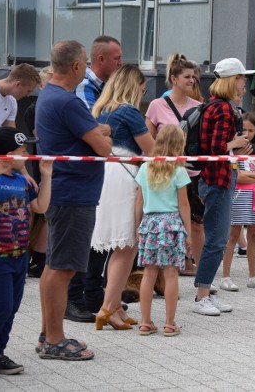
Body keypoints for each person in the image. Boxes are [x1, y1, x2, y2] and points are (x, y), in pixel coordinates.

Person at [35, 40, 112, 360]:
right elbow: (104, 147)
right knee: (62, 268)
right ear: (78, 66)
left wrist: (97, 131)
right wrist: (101, 132)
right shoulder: (67, 102)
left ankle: (49, 333)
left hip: (67, 193)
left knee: (56, 266)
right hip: (72, 197)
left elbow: (95, 135)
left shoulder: (51, 96)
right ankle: (53, 339)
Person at [91, 64, 154, 331]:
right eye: (142, 86)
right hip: (124, 175)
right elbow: (151, 149)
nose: (144, 90)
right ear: (133, 85)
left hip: (107, 175)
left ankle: (114, 306)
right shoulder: (128, 111)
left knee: (123, 245)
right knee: (126, 245)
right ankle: (107, 307)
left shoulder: (101, 110)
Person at [66, 35, 123, 323]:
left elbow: (105, 128)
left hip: (96, 173)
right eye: (116, 58)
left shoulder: (102, 88)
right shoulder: (84, 88)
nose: (120, 62)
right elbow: (93, 129)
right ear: (99, 60)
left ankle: (91, 293)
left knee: (97, 237)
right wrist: (107, 129)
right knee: (83, 239)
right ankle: (73, 300)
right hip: (78, 174)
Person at [192, 58, 253, 316]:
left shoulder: (214, 105)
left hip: (214, 178)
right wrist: (236, 142)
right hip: (217, 179)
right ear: (232, 81)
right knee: (216, 240)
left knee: (216, 239)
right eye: (241, 78)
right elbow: (216, 149)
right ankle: (202, 295)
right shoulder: (225, 110)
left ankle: (205, 292)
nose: (244, 82)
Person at [0, 127, 51, 377]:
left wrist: (46, 176)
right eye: (23, 152)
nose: (27, 156)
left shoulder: (22, 180)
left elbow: (41, 206)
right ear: (7, 155)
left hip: (19, 256)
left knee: (12, 307)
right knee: (0, 307)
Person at [146, 54, 205, 278]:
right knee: (166, 221)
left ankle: (201, 272)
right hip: (165, 174)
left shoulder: (199, 107)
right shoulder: (156, 105)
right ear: (174, 78)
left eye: (194, 77)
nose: (191, 80)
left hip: (192, 173)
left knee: (197, 223)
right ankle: (164, 271)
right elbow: (149, 140)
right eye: (187, 76)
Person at [135, 125, 191, 337]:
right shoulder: (178, 170)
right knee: (170, 274)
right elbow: (184, 204)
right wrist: (188, 232)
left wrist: (137, 226)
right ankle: (169, 323)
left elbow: (139, 200)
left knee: (148, 274)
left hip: (150, 223)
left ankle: (145, 321)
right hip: (171, 223)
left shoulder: (145, 167)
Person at [220, 113, 255, 291]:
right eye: (244, 130)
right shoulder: (233, 153)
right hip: (238, 197)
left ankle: (253, 276)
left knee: (254, 236)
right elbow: (236, 177)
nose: (247, 133)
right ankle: (225, 276)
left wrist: (252, 177)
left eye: (251, 130)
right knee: (233, 235)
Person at [24, 66, 53, 279]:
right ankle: (35, 258)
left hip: (49, 165)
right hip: (40, 165)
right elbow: (41, 133)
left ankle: (40, 258)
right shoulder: (35, 108)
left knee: (44, 215)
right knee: (39, 214)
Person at [75, 35, 123, 111]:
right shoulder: (84, 85)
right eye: (116, 58)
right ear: (101, 59)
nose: (120, 63)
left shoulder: (109, 84)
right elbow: (92, 120)